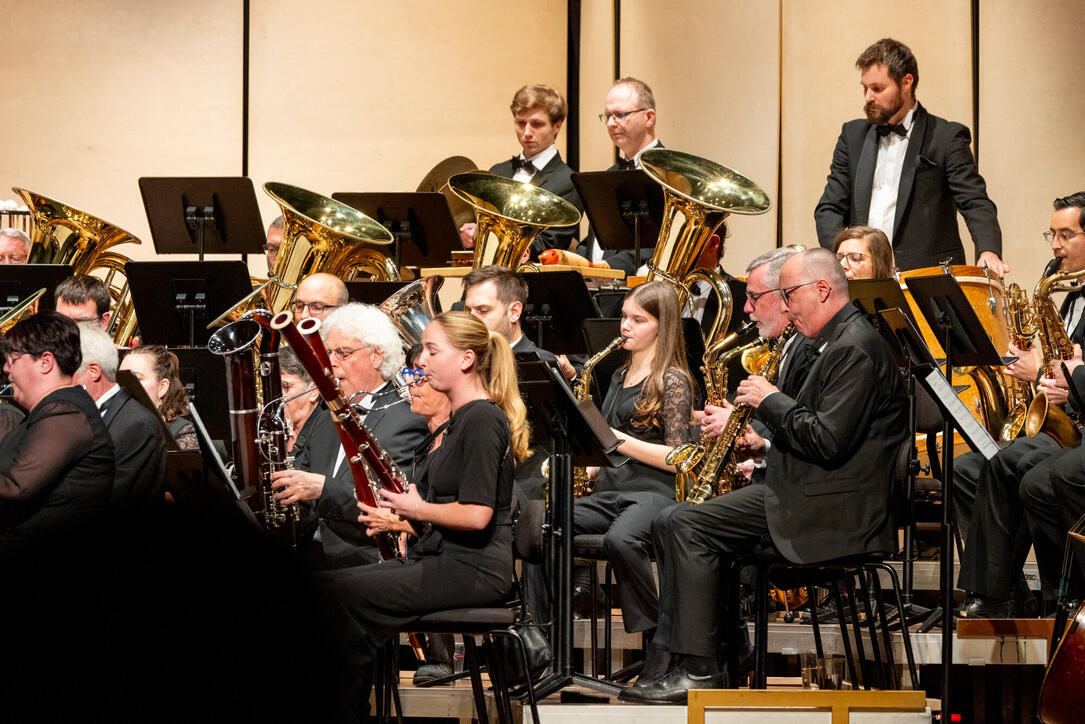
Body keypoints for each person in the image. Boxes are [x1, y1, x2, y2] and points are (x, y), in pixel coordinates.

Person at [625, 248, 908, 703]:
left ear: (822, 289)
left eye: (790, 294)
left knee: (684, 523)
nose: (787, 303)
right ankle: (679, 660)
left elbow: (827, 440)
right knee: (673, 519)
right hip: (804, 489)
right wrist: (759, 444)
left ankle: (700, 670)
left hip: (834, 508)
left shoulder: (856, 347)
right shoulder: (831, 340)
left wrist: (769, 399)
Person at [320, 311, 529, 720]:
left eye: (433, 351)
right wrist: (411, 515)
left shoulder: (483, 419)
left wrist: (416, 508)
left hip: (474, 571)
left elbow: (477, 515)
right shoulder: (460, 420)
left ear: (466, 359)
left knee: (336, 597)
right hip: (442, 559)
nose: (423, 363)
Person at [955, 192, 1085, 617]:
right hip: (1060, 420)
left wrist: (1045, 371)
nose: (1055, 245)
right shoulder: (1067, 296)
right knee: (965, 469)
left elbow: (1073, 372)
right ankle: (1007, 590)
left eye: (1066, 234)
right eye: (1053, 233)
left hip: (1077, 429)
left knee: (1013, 465)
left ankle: (1015, 597)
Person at [814, 38, 1007, 276]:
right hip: (863, 281)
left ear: (906, 83)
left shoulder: (946, 137)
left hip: (927, 279)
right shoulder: (852, 136)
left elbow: (974, 201)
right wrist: (842, 259)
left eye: (877, 88)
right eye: (865, 88)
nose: (868, 97)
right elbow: (829, 208)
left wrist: (988, 251)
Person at [572, 281, 697, 643]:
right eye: (624, 317)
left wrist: (620, 441)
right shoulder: (616, 375)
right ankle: (548, 627)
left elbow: (679, 459)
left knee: (622, 540)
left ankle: (658, 639)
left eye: (637, 320)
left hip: (653, 493)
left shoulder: (673, 380)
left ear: (662, 325)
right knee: (545, 524)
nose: (625, 326)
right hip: (611, 491)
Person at [270, 303, 428, 567]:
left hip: (366, 558)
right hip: (313, 553)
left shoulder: (406, 420)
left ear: (377, 356)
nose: (330, 362)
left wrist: (323, 488)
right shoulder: (324, 415)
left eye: (342, 353)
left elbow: (391, 504)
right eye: (328, 352)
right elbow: (303, 492)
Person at [0, 312, 114, 553]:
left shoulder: (65, 411)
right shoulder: (51, 411)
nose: (6, 369)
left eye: (12, 358)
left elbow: (16, 485)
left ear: (45, 362)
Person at [459, 85, 583, 259]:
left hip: (536, 281)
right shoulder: (497, 172)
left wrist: (484, 236)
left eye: (536, 124)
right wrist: (468, 234)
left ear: (557, 126)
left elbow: (549, 245)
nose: (526, 132)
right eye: (520, 123)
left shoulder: (568, 181)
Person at [73, 324, 167, 508]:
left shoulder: (137, 424)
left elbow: (115, 501)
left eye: (68, 370)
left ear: (93, 371)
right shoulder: (81, 413)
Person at [577, 77, 662, 272]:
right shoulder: (609, 175)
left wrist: (610, 267)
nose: (611, 123)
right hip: (600, 294)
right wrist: (575, 261)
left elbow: (662, 242)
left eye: (620, 114)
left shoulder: (669, 175)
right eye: (607, 116)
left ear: (649, 117)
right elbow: (599, 241)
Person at [120, 346, 198, 450]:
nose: (124, 386)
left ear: (162, 387)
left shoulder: (185, 434)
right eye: (121, 378)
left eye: (136, 378)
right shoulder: (113, 423)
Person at [277, 346, 320, 454]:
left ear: (314, 391)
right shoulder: (274, 431)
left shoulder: (325, 432)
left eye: (285, 386)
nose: (277, 395)